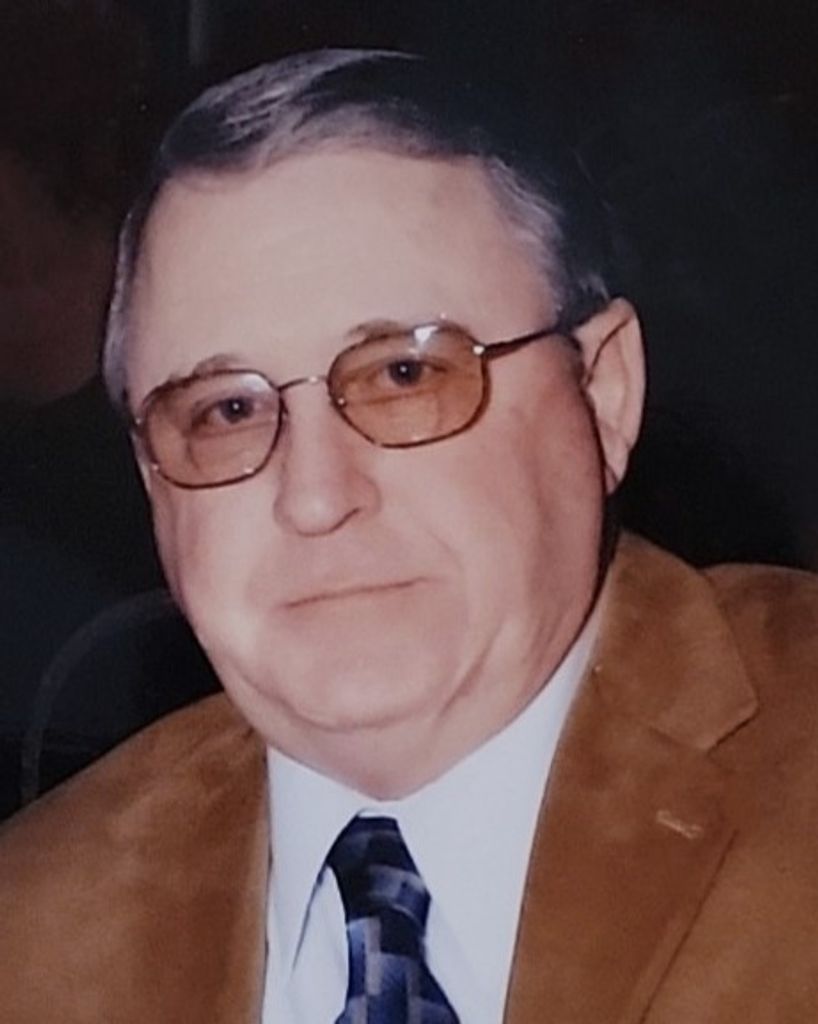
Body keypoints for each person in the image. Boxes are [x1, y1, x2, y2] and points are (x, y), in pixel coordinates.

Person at [2, 49, 818, 1023]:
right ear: (150, 479)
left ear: (603, 393)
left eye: (405, 375)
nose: (315, 496)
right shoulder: (33, 929)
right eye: (226, 411)